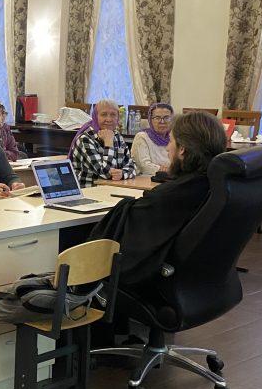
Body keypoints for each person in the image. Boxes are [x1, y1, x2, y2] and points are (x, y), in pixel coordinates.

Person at [89, 112, 228, 343]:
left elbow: (127, 248)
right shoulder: (215, 187)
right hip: (207, 286)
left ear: (182, 150)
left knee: (90, 254)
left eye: (171, 142)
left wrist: (126, 208)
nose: (168, 149)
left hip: (161, 284)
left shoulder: (171, 197)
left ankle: (95, 344)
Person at [69, 99, 137, 187]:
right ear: (95, 117)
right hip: (90, 190)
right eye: (104, 114)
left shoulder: (117, 136)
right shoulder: (85, 139)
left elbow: (133, 166)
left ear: (118, 118)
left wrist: (122, 174)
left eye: (113, 115)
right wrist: (108, 143)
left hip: (114, 188)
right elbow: (106, 174)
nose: (109, 119)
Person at [132, 103, 173, 176]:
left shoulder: (173, 138)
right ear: (150, 120)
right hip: (147, 179)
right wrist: (166, 170)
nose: (162, 121)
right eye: (157, 118)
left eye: (166, 118)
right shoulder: (142, 137)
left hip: (171, 178)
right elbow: (144, 166)